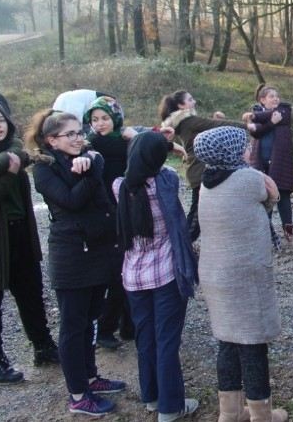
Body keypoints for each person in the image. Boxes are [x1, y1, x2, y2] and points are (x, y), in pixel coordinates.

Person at [27, 109, 126, 416]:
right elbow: (71, 201)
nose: (77, 139)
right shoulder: (43, 169)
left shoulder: (88, 156)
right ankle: (78, 395)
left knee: (90, 321)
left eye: (78, 133)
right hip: (71, 256)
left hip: (97, 251)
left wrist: (93, 161)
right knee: (73, 326)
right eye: (69, 134)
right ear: (51, 140)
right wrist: (91, 170)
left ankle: (91, 377)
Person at [194, 126, 287, 422]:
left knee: (228, 343)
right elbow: (270, 194)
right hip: (244, 278)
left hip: (215, 273)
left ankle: (230, 413)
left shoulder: (206, 181)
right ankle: (262, 415)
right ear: (231, 151)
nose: (248, 150)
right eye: (243, 146)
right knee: (253, 347)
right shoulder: (247, 178)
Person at [113, 132, 199, 422]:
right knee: (167, 341)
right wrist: (172, 144)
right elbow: (167, 166)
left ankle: (151, 397)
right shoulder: (167, 181)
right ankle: (170, 408)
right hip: (165, 274)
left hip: (133, 275)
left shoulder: (119, 187)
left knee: (145, 337)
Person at [0, 95, 59, 385]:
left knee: (31, 293)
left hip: (20, 234)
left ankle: (43, 346)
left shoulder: (16, 150)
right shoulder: (11, 158)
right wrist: (7, 173)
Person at [84, 96, 137, 350]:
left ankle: (127, 324)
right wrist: (134, 137)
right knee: (117, 271)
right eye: (94, 119)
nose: (100, 123)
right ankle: (106, 327)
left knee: (129, 264)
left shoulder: (123, 140)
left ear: (115, 118)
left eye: (105, 118)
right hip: (106, 212)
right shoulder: (95, 144)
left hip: (125, 208)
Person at [159, 90, 243, 242]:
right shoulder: (189, 121)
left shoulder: (182, 122)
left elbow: (207, 129)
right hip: (198, 170)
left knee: (197, 212)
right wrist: (247, 126)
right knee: (196, 216)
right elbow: (215, 125)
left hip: (195, 169)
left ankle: (183, 244)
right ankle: (182, 245)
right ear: (181, 105)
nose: (194, 102)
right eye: (190, 99)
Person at [244, 84, 293, 241]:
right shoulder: (259, 113)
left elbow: (265, 120)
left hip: (280, 161)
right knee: (264, 195)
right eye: (271, 96)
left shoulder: (284, 110)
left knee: (283, 194)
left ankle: (289, 229)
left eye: (277, 96)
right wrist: (271, 123)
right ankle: (265, 231)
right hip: (260, 161)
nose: (276, 98)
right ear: (262, 99)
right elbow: (256, 131)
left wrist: (254, 118)